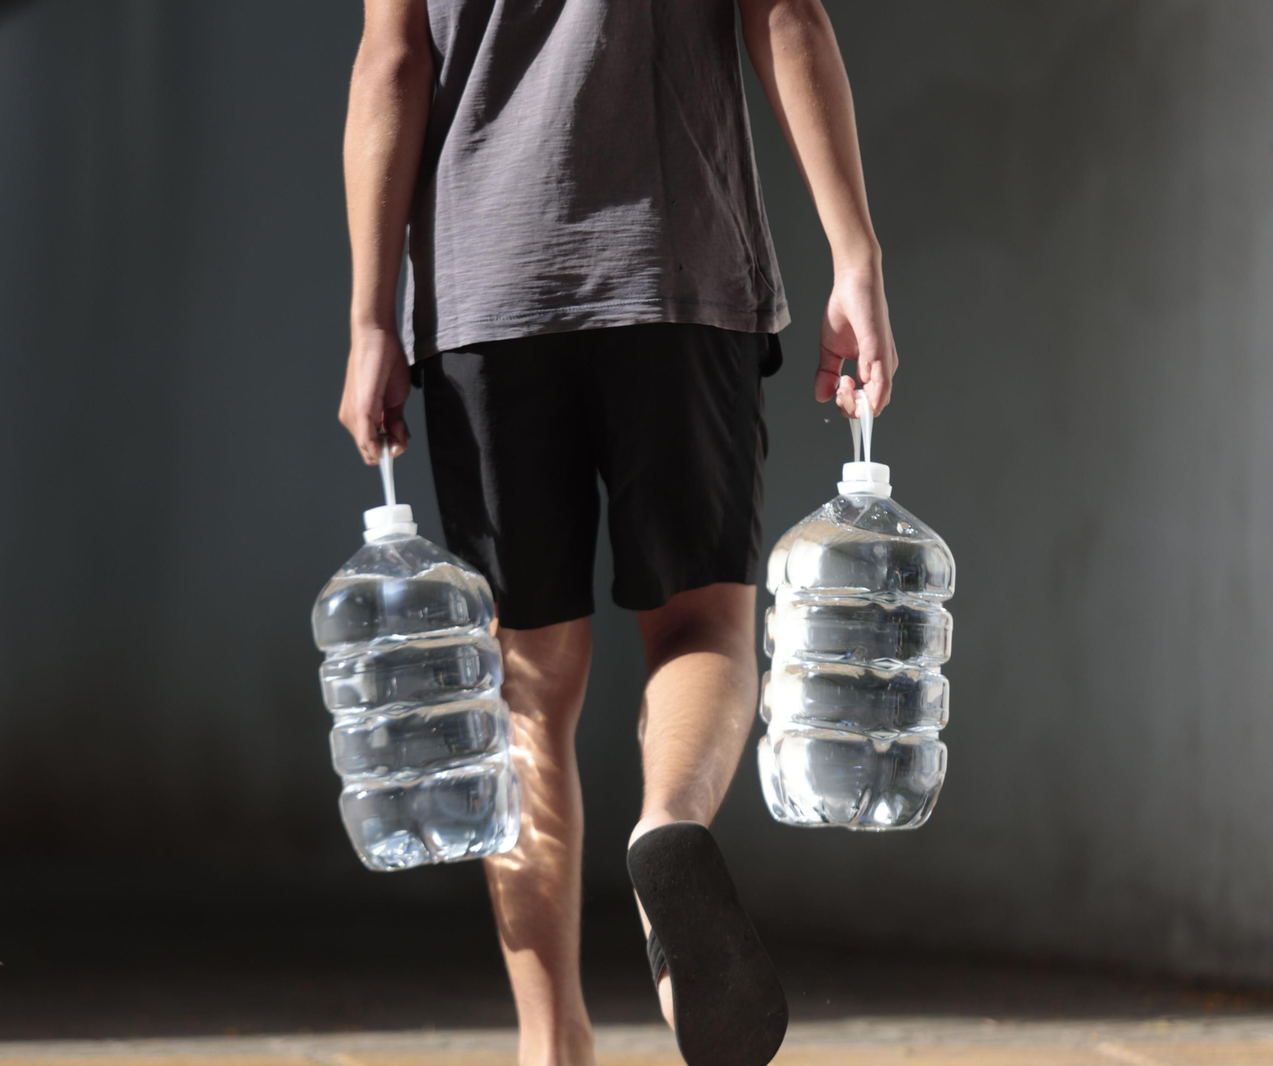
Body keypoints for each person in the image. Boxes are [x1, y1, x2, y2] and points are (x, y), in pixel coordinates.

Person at [338, 1, 897, 1063]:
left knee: (524, 681)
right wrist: (854, 254)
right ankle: (668, 824)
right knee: (701, 626)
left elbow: (392, 61)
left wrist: (371, 318)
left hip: (484, 291)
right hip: (676, 265)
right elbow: (785, 14)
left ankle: (551, 1043)